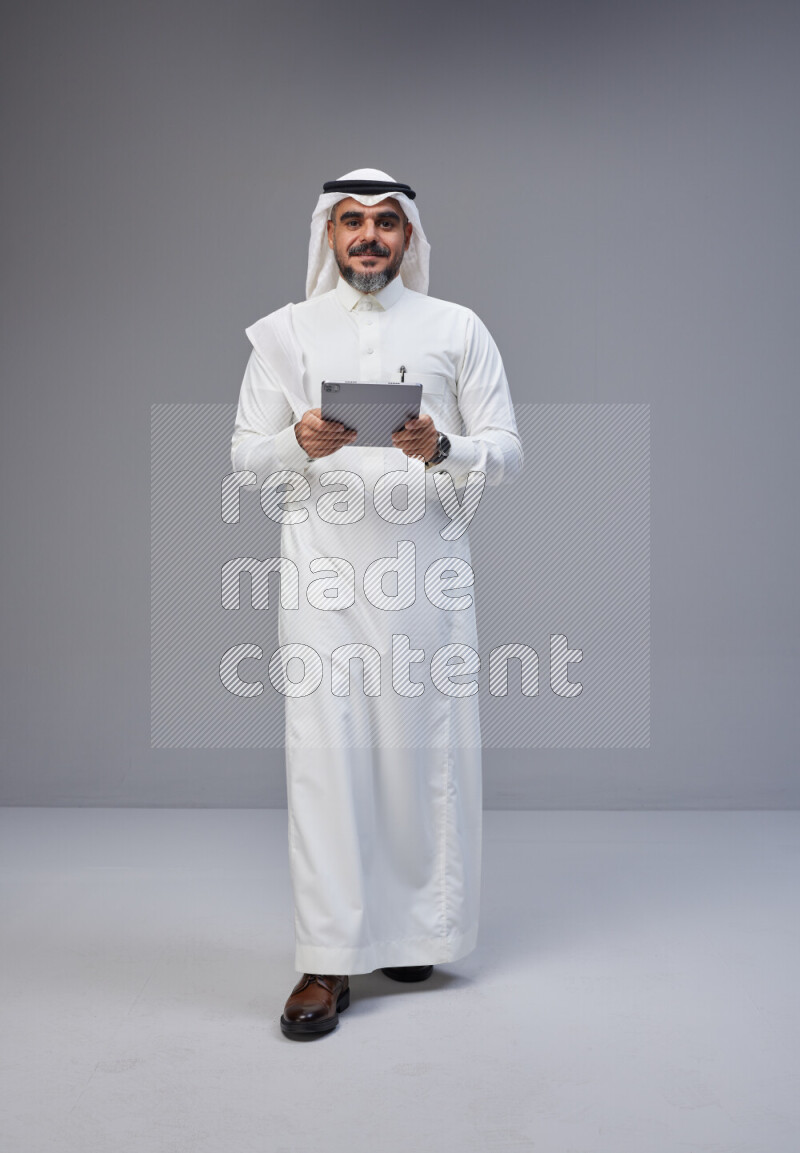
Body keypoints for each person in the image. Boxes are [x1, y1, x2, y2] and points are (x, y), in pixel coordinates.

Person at [230, 168, 523, 1040]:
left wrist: (444, 446)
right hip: (323, 584)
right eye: (351, 221)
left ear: (409, 238)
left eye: (386, 223)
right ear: (327, 234)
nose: (368, 236)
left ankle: (413, 931)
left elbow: (509, 451)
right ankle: (325, 960)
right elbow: (245, 456)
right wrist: (296, 440)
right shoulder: (285, 334)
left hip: (427, 581)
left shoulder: (456, 329)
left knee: (421, 755)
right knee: (327, 762)